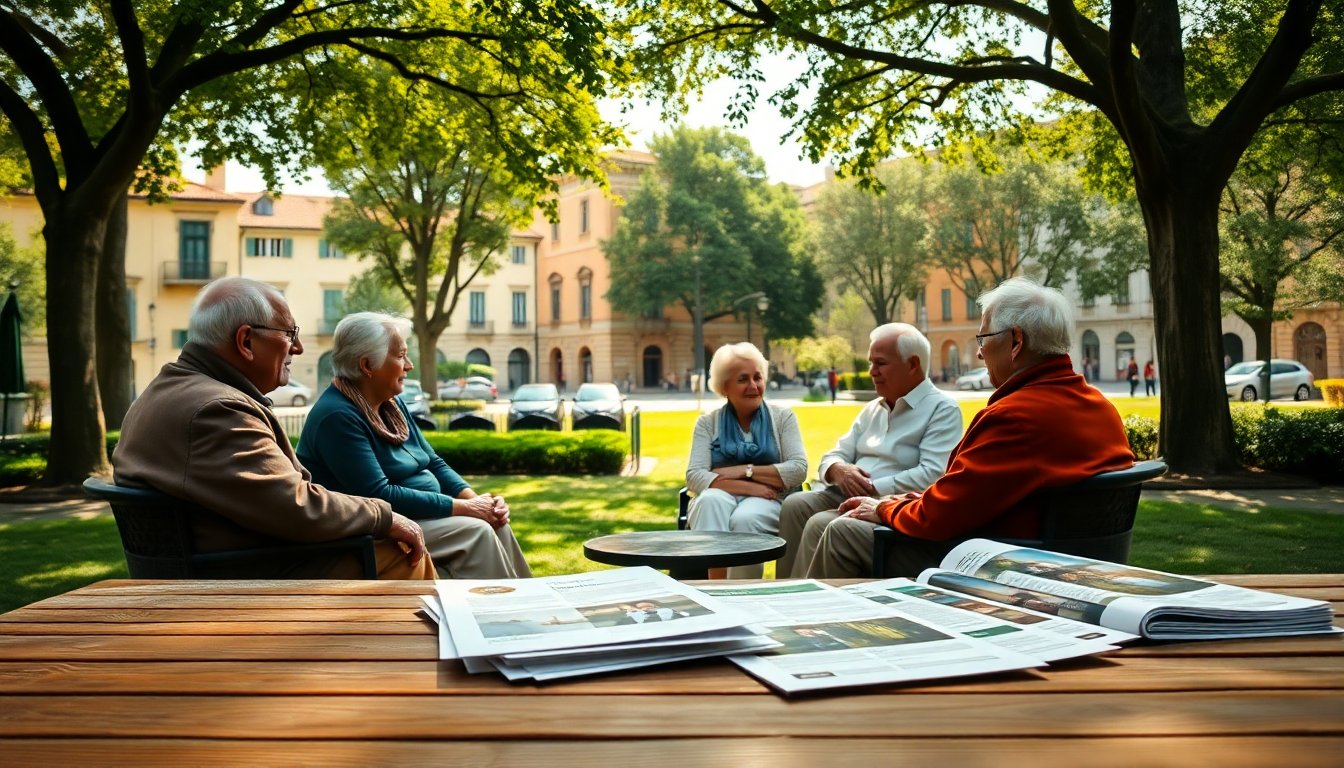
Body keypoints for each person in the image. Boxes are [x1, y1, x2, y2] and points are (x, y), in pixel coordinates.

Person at [113, 277, 433, 579]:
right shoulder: (218, 410)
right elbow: (296, 506)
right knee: (402, 551)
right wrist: (383, 516)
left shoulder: (174, 391)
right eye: (289, 334)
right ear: (246, 341)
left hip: (222, 566)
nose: (298, 348)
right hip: (244, 578)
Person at [815, 277, 1135, 578]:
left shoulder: (1015, 416)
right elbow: (962, 495)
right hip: (1076, 565)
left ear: (1015, 341)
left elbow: (939, 516)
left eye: (983, 339)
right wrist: (894, 503)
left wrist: (884, 508)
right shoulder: (1100, 406)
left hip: (1008, 568)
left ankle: (815, 631)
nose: (980, 352)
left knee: (843, 531)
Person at [298, 312, 530, 579]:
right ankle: (497, 617)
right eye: (400, 356)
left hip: (422, 517)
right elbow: (380, 494)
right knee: (476, 532)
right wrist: (464, 508)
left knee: (496, 522)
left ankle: (531, 607)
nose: (408, 365)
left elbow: (433, 462)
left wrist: (477, 501)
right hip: (381, 530)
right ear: (367, 365)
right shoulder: (337, 416)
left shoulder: (392, 404)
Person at [777, 323, 963, 579]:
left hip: (890, 503)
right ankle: (786, 590)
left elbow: (933, 474)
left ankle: (805, 601)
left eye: (880, 363)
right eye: (870, 363)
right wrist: (838, 470)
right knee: (795, 505)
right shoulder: (873, 408)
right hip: (844, 493)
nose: (872, 372)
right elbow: (833, 454)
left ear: (912, 365)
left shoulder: (942, 410)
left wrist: (871, 487)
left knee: (819, 523)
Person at [685, 342, 808, 578]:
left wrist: (744, 470)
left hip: (773, 499)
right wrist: (751, 486)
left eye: (757, 378)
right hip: (741, 493)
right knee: (708, 502)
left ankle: (743, 592)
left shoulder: (782, 418)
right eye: (743, 379)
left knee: (746, 518)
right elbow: (695, 476)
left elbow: (797, 469)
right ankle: (716, 588)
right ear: (724, 387)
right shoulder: (707, 423)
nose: (754, 386)